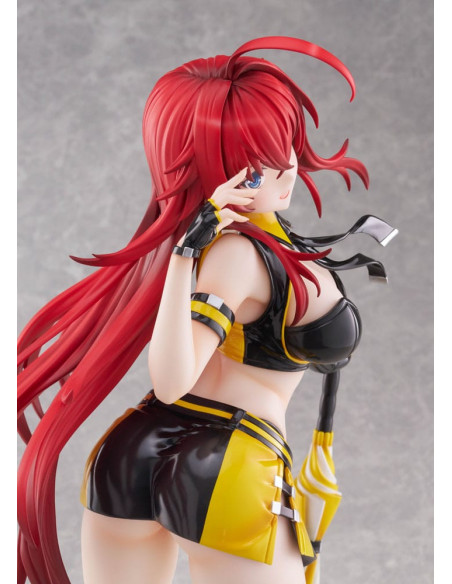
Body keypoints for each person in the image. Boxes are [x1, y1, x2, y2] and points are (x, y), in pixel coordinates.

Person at [17, 36, 396, 584]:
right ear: (213, 172)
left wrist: (189, 250)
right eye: (256, 169)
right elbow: (173, 380)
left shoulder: (250, 244)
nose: (286, 171)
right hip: (228, 462)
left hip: (132, 453)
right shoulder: (236, 255)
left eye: (285, 147)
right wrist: (185, 252)